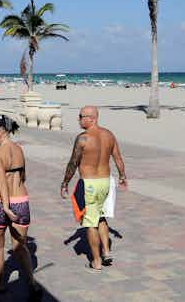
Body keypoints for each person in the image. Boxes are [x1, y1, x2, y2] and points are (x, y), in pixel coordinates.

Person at [61, 106, 127, 272]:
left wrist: (65, 183)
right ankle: (106, 251)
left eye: (81, 116)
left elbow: (73, 163)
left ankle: (96, 261)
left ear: (91, 118)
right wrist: (122, 176)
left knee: (90, 223)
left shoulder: (83, 138)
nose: (79, 119)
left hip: (90, 183)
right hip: (106, 182)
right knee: (101, 217)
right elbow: (118, 158)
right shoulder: (109, 135)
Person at [0, 114, 42, 298]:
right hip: (22, 201)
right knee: (20, 247)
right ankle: (32, 284)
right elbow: (23, 176)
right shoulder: (19, 149)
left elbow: (2, 182)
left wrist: (6, 207)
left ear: (2, 130)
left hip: (1, 203)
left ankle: (0, 283)